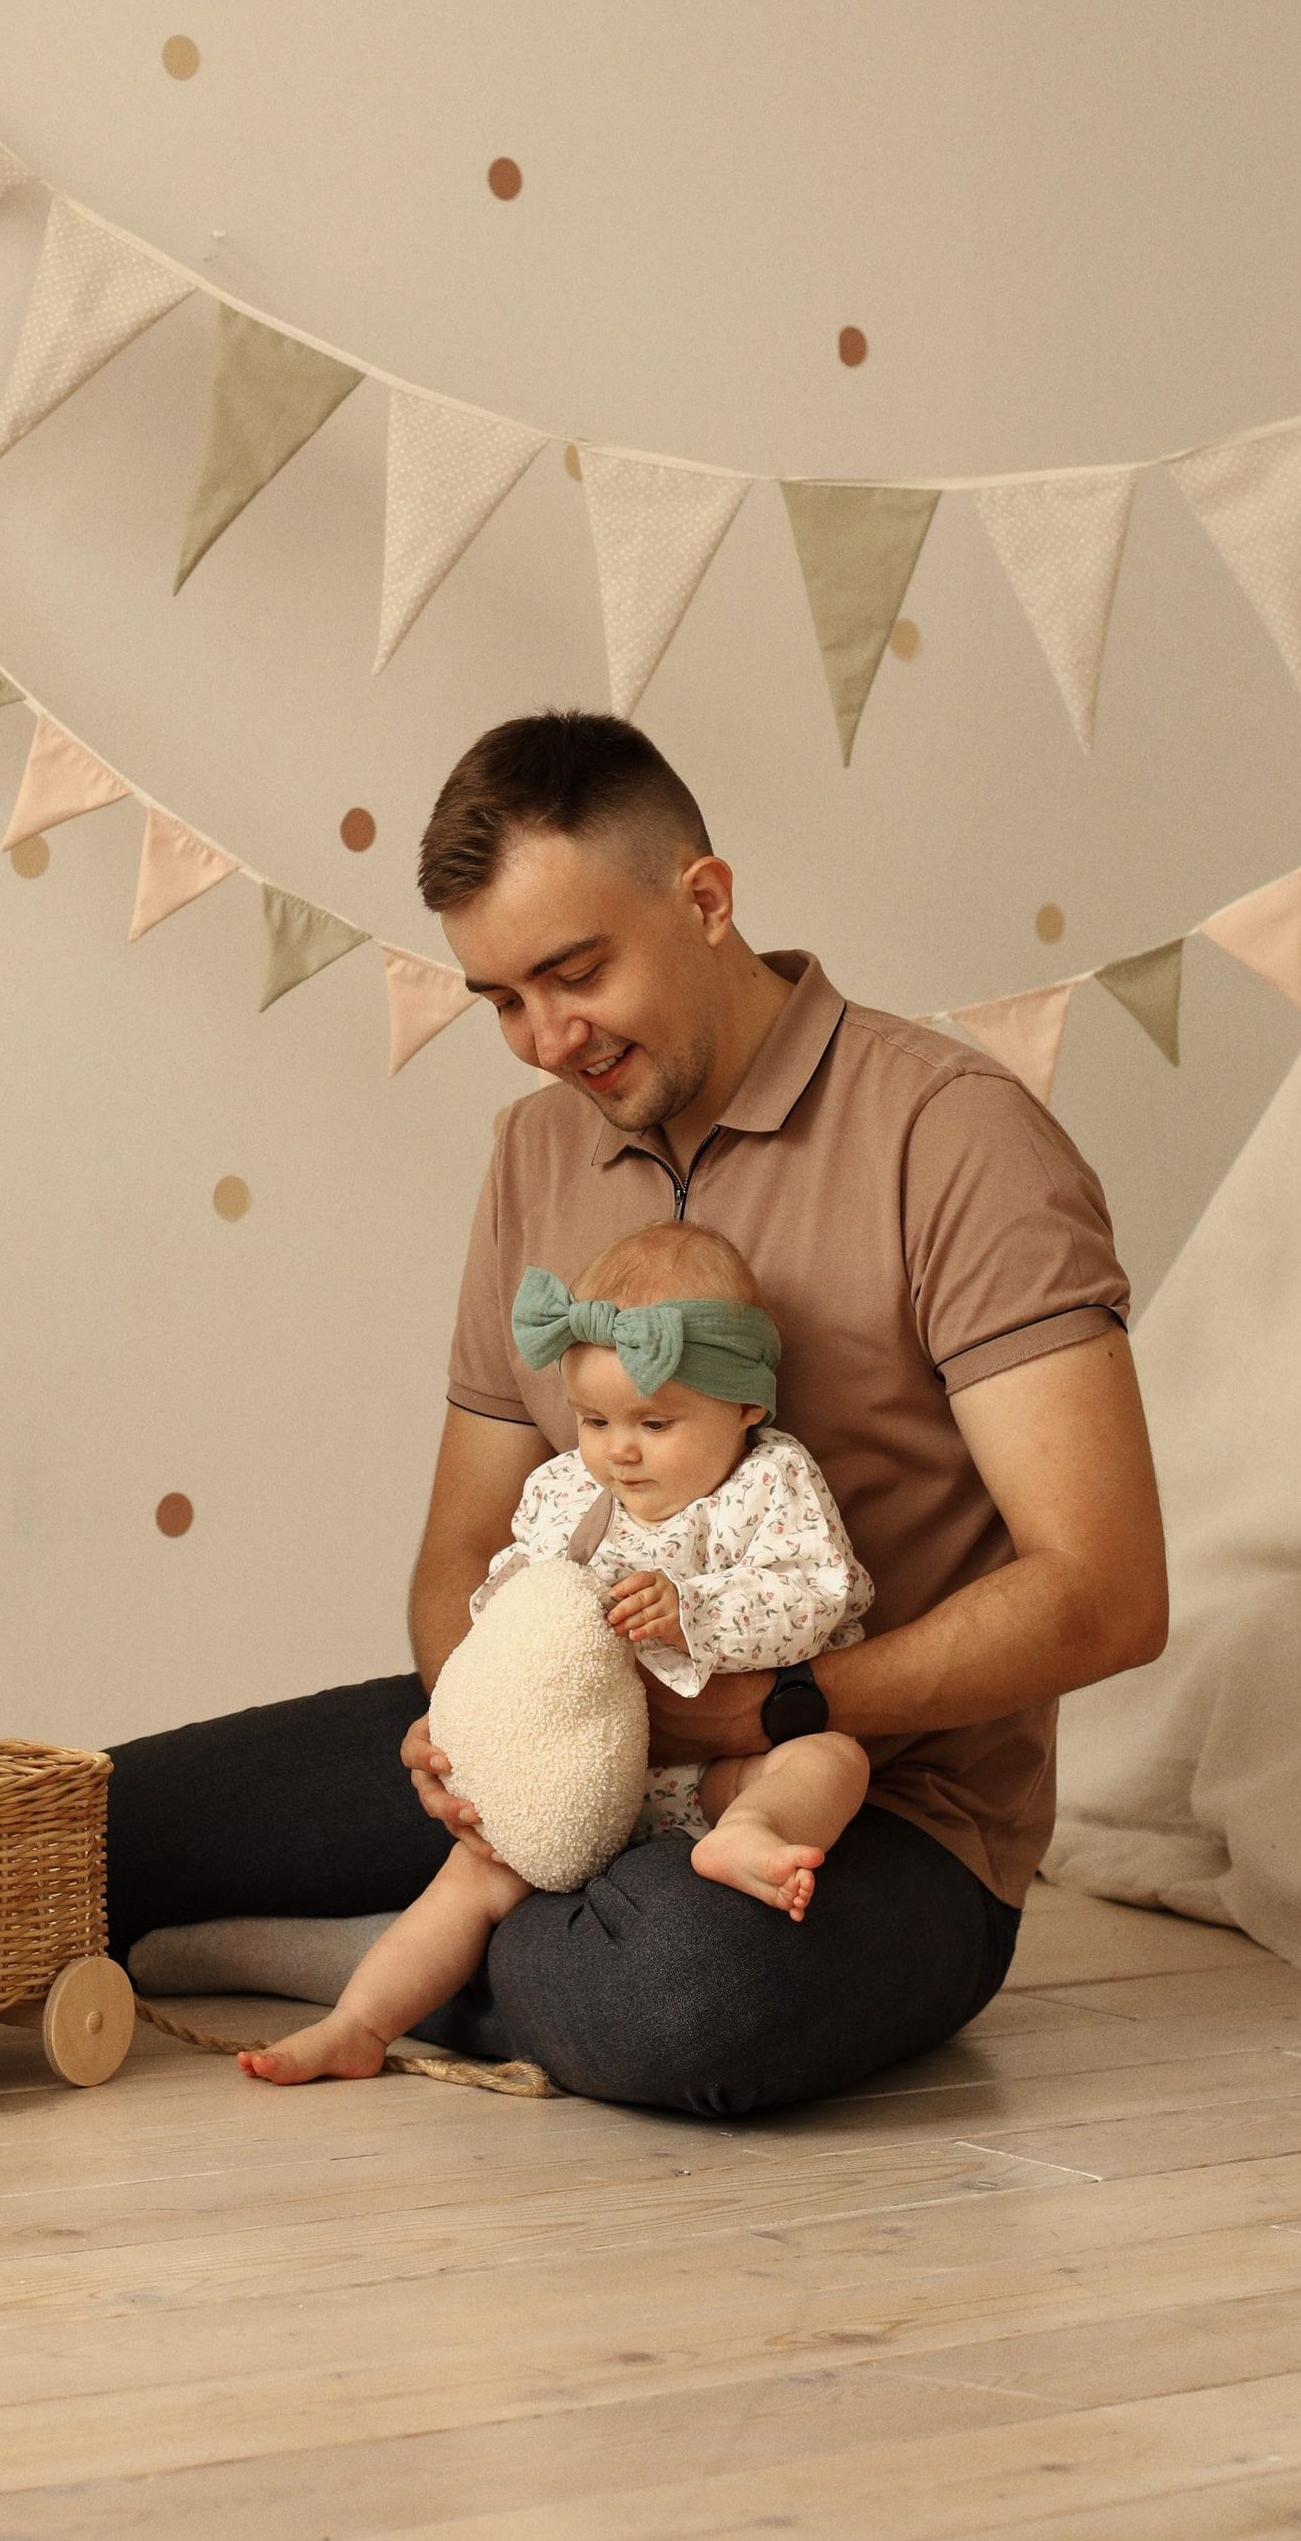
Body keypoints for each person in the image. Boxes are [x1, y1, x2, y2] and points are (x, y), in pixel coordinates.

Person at [108, 711, 1169, 2117]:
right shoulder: (536, 1153)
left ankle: (397, 1959)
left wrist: (763, 1708)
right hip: (573, 1739)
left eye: (574, 971)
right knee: (94, 1823)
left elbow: (1106, 1594)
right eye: (499, 998)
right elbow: (458, 1550)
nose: (545, 1039)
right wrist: (472, 1731)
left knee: (684, 1995)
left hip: (858, 1806)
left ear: (706, 900)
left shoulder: (953, 1135)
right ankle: (467, 1931)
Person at [236, 1221, 873, 2085]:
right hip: (578, 1775)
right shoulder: (567, 1490)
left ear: (746, 1405)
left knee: (832, 1760)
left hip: (725, 1769)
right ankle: (360, 2020)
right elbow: (507, 1612)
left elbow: (815, 1592)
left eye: (656, 1420)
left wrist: (692, 1613)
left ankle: (750, 1834)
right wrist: (460, 1718)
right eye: (595, 1419)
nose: (621, 1447)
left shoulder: (771, 1482)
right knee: (471, 1877)